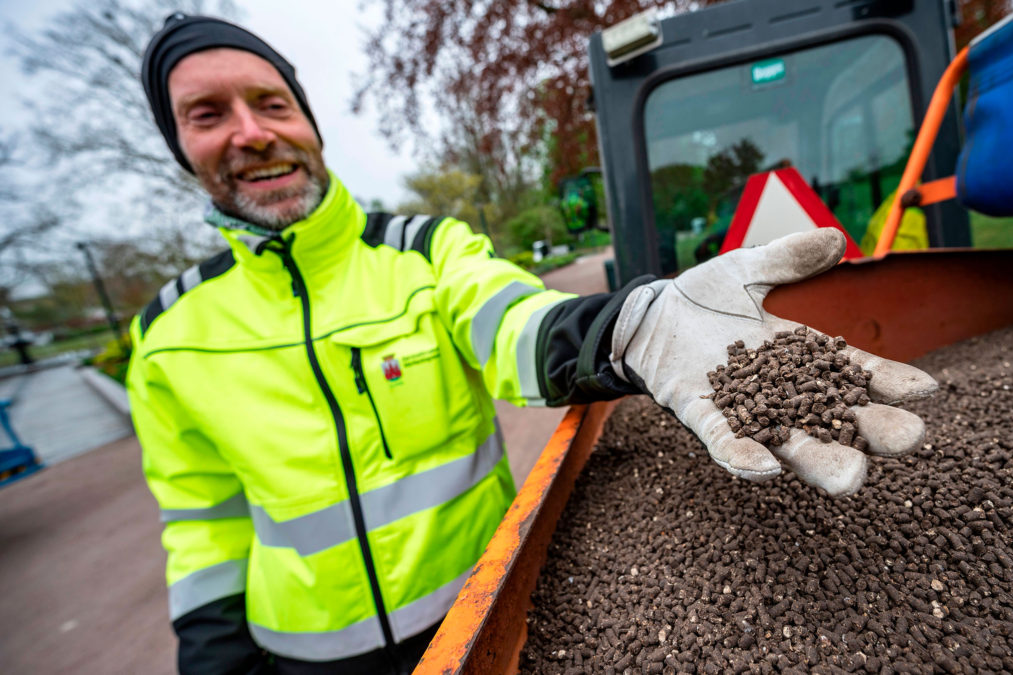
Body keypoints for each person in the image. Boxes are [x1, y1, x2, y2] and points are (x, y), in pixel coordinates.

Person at [131, 14, 937, 675]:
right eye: (208, 115)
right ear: (179, 146)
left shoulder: (423, 250)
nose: (250, 133)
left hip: (484, 610)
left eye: (271, 103)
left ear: (304, 119)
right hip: (304, 657)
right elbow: (202, 525)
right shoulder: (166, 334)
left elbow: (513, 323)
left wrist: (633, 325)